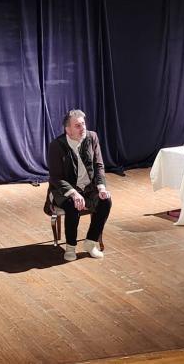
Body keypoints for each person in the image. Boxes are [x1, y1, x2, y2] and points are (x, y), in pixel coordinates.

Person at [45, 109, 112, 261]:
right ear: (67, 129)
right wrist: (74, 193)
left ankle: (90, 242)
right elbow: (55, 177)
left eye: (83, 124)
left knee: (106, 201)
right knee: (72, 205)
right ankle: (70, 247)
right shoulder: (57, 145)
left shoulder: (92, 137)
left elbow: (98, 165)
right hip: (64, 189)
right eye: (77, 126)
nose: (83, 128)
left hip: (88, 187)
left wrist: (101, 187)